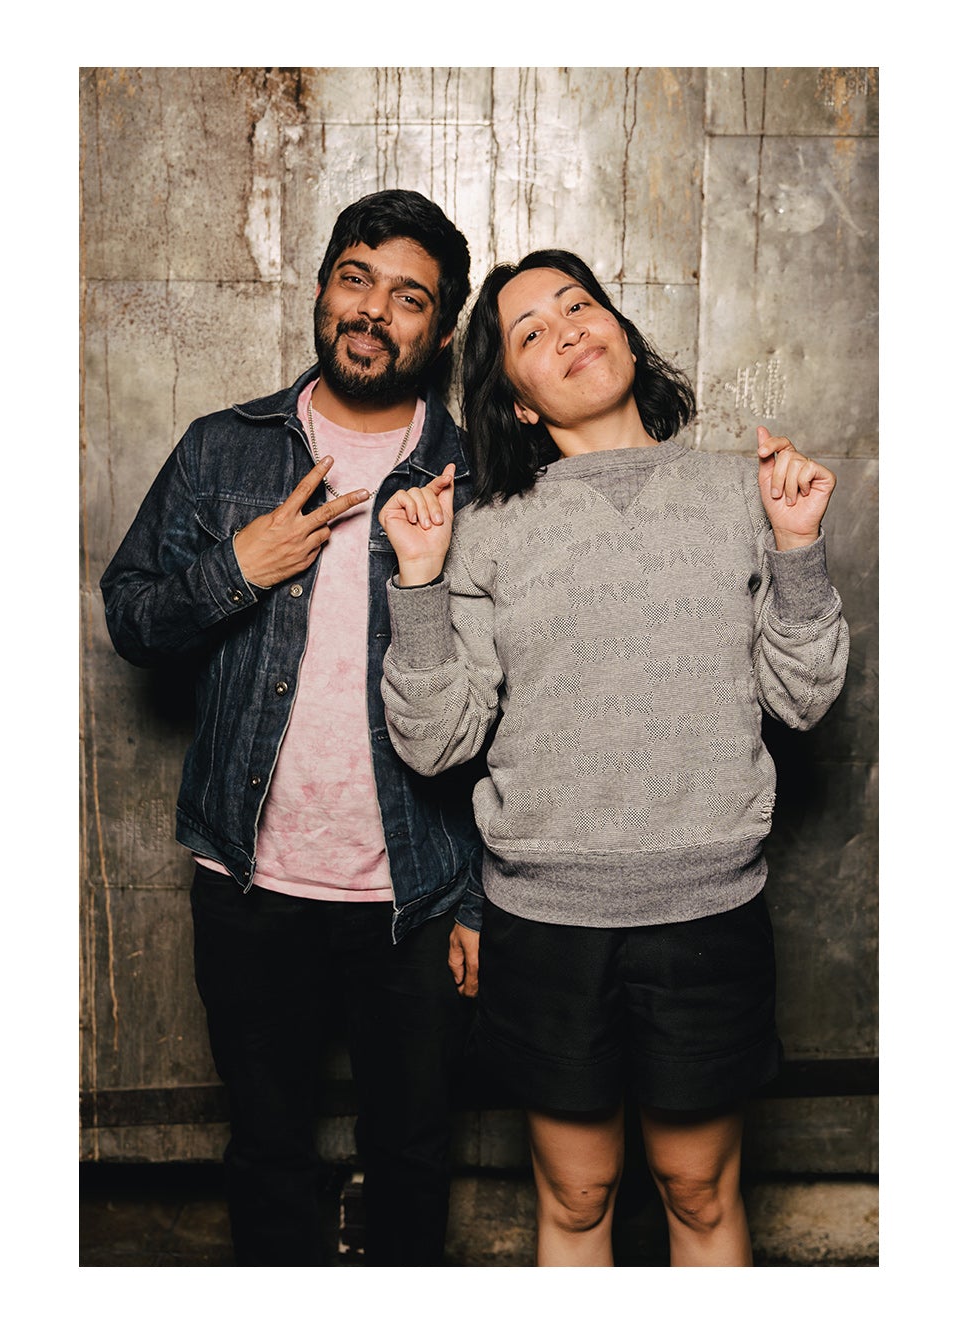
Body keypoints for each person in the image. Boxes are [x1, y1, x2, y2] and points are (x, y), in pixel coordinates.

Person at [377, 249, 848, 1265]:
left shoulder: (740, 494)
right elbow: (432, 739)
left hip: (706, 911)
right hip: (542, 923)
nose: (567, 331)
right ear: (514, 399)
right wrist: (415, 582)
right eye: (531, 332)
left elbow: (802, 700)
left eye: (577, 305)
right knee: (578, 1195)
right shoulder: (485, 531)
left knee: (696, 1190)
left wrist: (797, 546)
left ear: (622, 331)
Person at [100, 189, 485, 1265]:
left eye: (408, 296)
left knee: (411, 1150)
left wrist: (478, 898)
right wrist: (239, 567)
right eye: (354, 279)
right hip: (249, 877)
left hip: (416, 888)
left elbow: (512, 711)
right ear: (320, 291)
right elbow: (129, 616)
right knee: (266, 1148)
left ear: (440, 331)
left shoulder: (483, 476)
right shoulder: (224, 452)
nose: (373, 311)